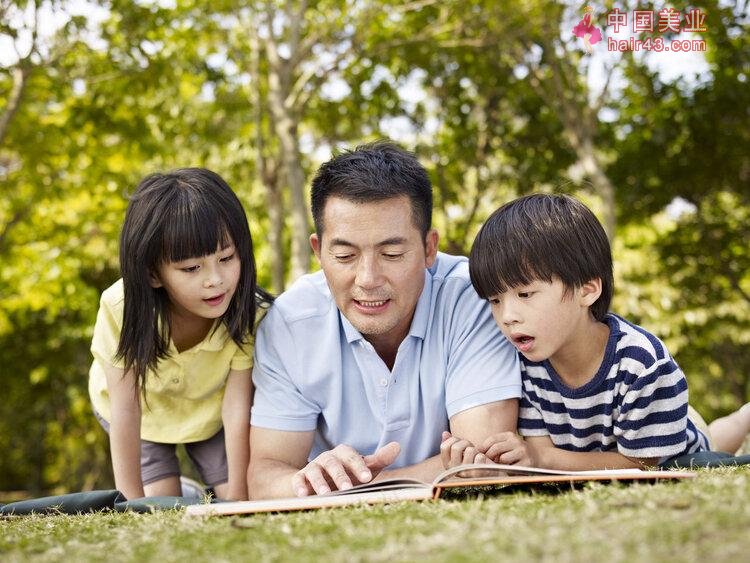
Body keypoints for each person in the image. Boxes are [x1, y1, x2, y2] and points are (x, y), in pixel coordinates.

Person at [248, 141, 521, 499]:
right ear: (318, 251)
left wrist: (352, 488)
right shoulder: (290, 324)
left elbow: (481, 462)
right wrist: (306, 480)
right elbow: (265, 476)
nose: (367, 278)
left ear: (429, 248)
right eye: (345, 255)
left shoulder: (476, 295)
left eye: (391, 253)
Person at [466, 193, 750, 470]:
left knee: (713, 442)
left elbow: (642, 464)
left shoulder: (642, 363)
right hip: (613, 444)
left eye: (526, 294)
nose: (507, 316)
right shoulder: (526, 365)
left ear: (587, 290)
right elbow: (540, 450)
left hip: (668, 442)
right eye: (495, 300)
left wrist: (542, 460)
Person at [88, 168, 271, 500]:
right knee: (161, 503)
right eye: (191, 268)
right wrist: (130, 502)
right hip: (144, 419)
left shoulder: (249, 312)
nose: (215, 279)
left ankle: (213, 491)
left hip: (210, 414)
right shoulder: (120, 307)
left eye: (227, 258)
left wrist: (240, 499)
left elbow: (236, 408)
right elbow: (126, 408)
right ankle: (183, 489)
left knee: (234, 492)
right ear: (153, 274)